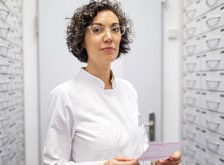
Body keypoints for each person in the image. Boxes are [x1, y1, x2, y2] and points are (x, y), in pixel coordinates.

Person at [42, 0, 181, 164]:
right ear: (82, 40)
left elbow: (138, 148)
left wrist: (155, 162)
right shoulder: (65, 95)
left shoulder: (128, 89)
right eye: (97, 30)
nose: (109, 37)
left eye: (115, 29)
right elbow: (53, 162)